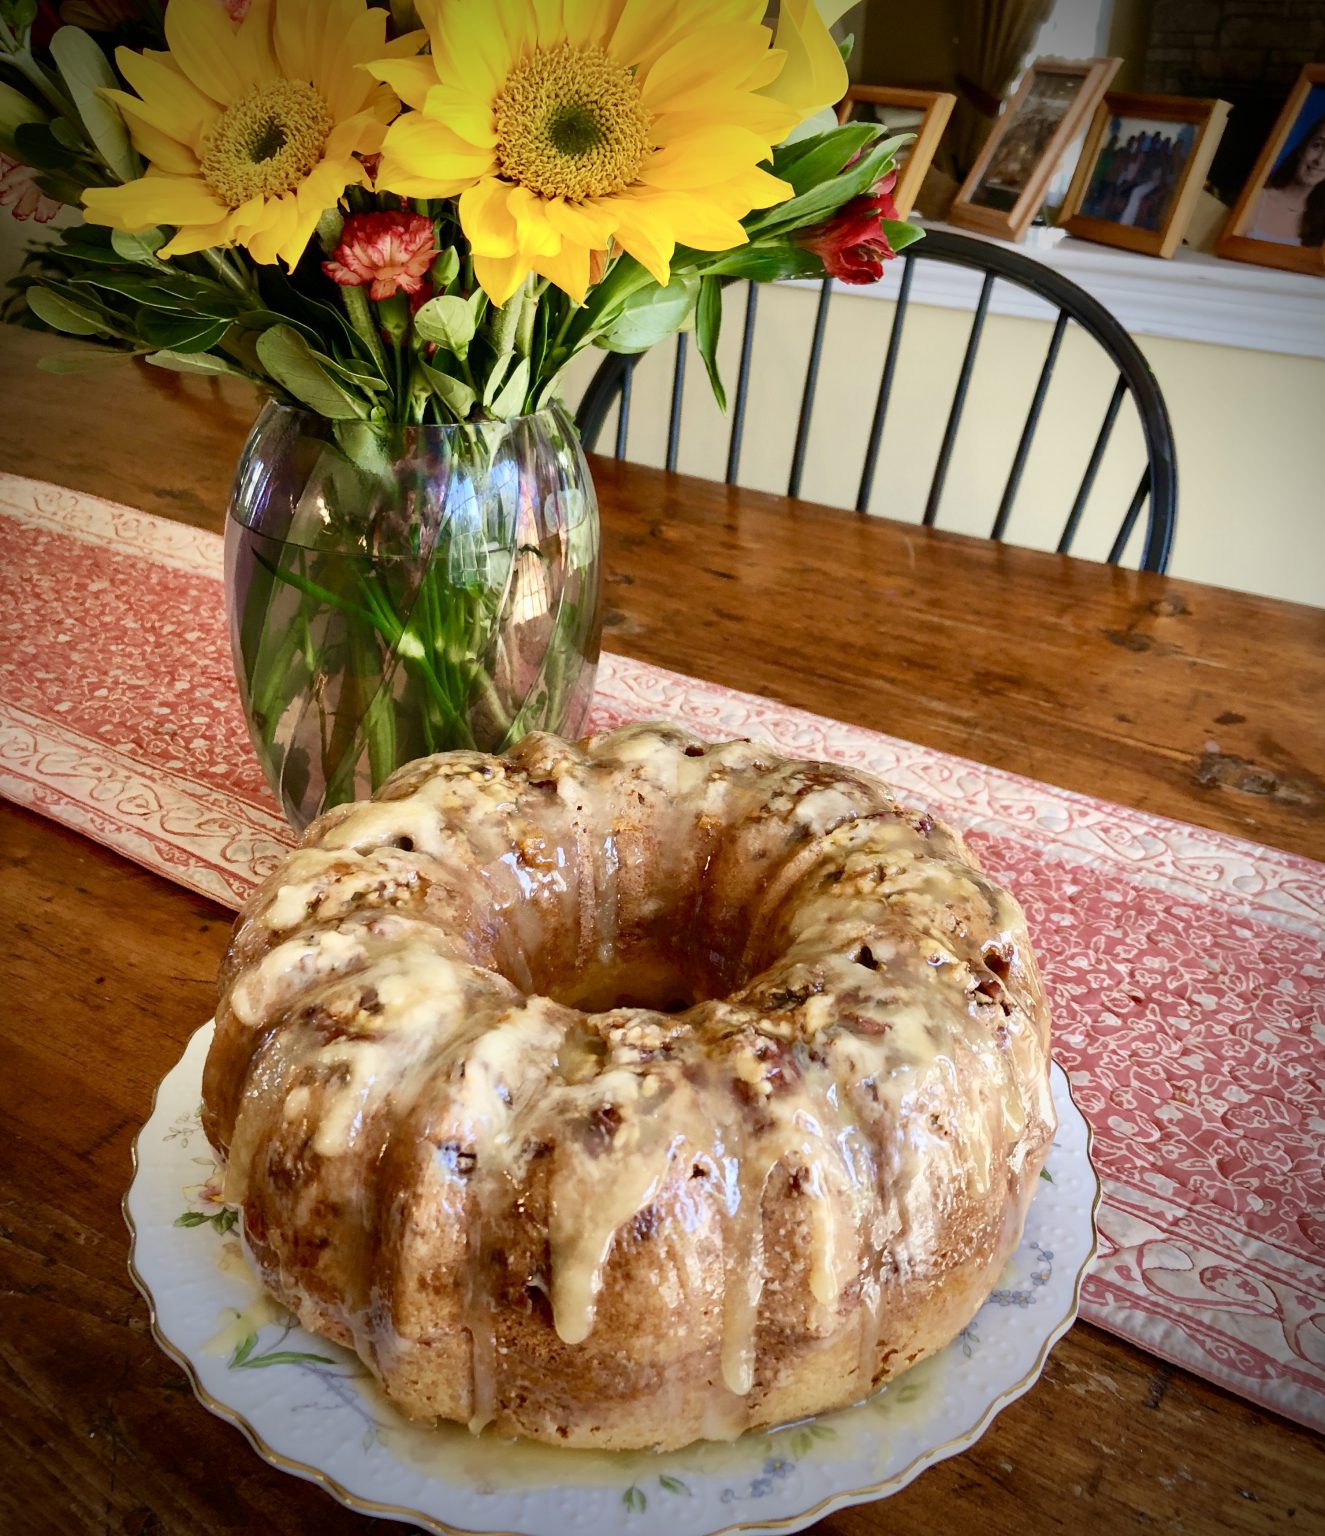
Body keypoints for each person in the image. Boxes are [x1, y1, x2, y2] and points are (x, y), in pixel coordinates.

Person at [1249, 110, 1325, 247]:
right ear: (1302, 148)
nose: (1320, 160)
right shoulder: (1255, 199)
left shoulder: (1320, 222)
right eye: (1317, 146)